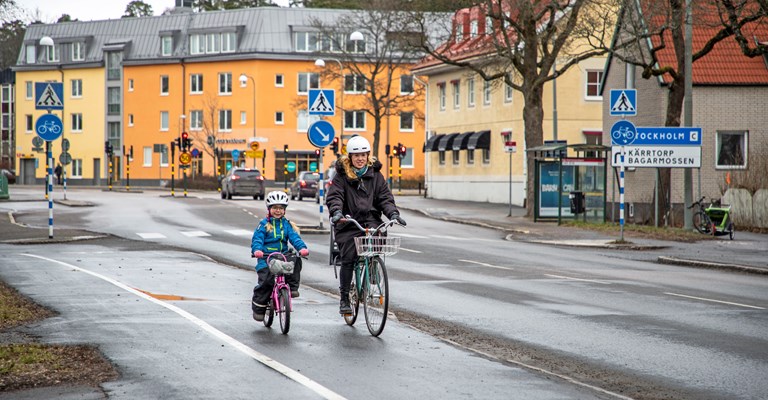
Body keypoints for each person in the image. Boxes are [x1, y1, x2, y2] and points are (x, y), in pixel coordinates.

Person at [325, 135, 406, 315]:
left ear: (368, 156)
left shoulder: (376, 176)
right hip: (348, 221)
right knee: (349, 255)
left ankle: (372, 264)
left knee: (379, 234)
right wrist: (337, 212)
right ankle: (344, 298)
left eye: (363, 155)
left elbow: (384, 197)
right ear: (350, 158)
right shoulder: (341, 177)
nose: (360, 158)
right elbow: (335, 196)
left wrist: (393, 213)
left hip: (370, 219)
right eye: (356, 155)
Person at [250, 191, 309, 322]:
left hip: (282, 256)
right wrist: (257, 250)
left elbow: (295, 238)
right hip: (266, 257)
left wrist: (302, 248)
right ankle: (259, 307)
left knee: (296, 260)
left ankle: (293, 288)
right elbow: (257, 240)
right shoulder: (264, 224)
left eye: (281, 208)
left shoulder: (286, 225)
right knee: (267, 280)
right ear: (269, 209)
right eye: (275, 208)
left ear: (284, 210)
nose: (278, 211)